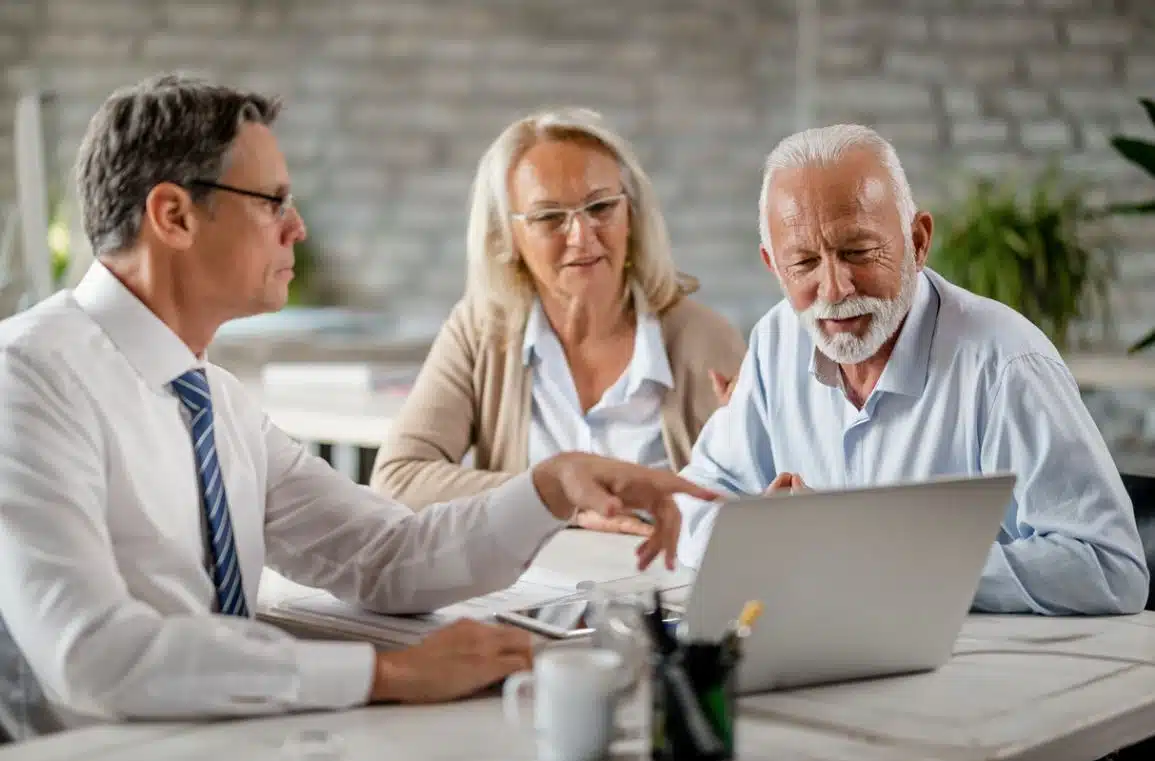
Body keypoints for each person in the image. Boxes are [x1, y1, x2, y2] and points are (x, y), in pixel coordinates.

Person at [0, 75, 717, 737]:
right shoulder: (27, 376)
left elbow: (388, 555)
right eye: (272, 201)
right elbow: (91, 654)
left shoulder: (214, 400)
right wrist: (388, 673)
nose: (297, 227)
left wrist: (553, 486)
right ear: (173, 214)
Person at [675, 123, 1149, 616]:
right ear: (773, 265)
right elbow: (695, 500)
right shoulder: (777, 339)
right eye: (804, 263)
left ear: (918, 241)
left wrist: (878, 556)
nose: (834, 288)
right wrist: (763, 537)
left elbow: (1110, 568)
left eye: (857, 252)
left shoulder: (1007, 363)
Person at [368, 108, 745, 536]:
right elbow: (398, 479)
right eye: (548, 217)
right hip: (528, 593)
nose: (582, 237)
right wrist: (560, 497)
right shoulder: (481, 330)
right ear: (506, 237)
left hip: (661, 591)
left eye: (601, 207)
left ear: (632, 218)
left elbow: (751, 501)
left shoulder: (705, 339)